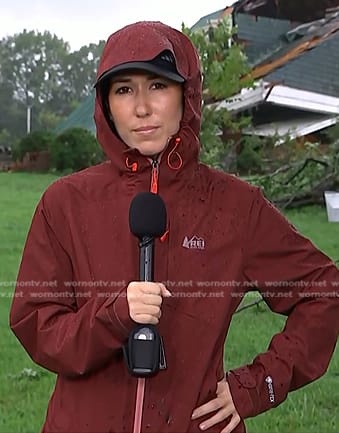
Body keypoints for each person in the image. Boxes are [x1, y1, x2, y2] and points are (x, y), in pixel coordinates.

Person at [9, 20, 339, 433]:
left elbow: (323, 292)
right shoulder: (65, 203)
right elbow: (37, 325)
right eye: (124, 89)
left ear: (188, 94)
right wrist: (114, 315)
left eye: (158, 86)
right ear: (106, 104)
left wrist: (256, 386)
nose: (142, 107)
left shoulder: (237, 207)